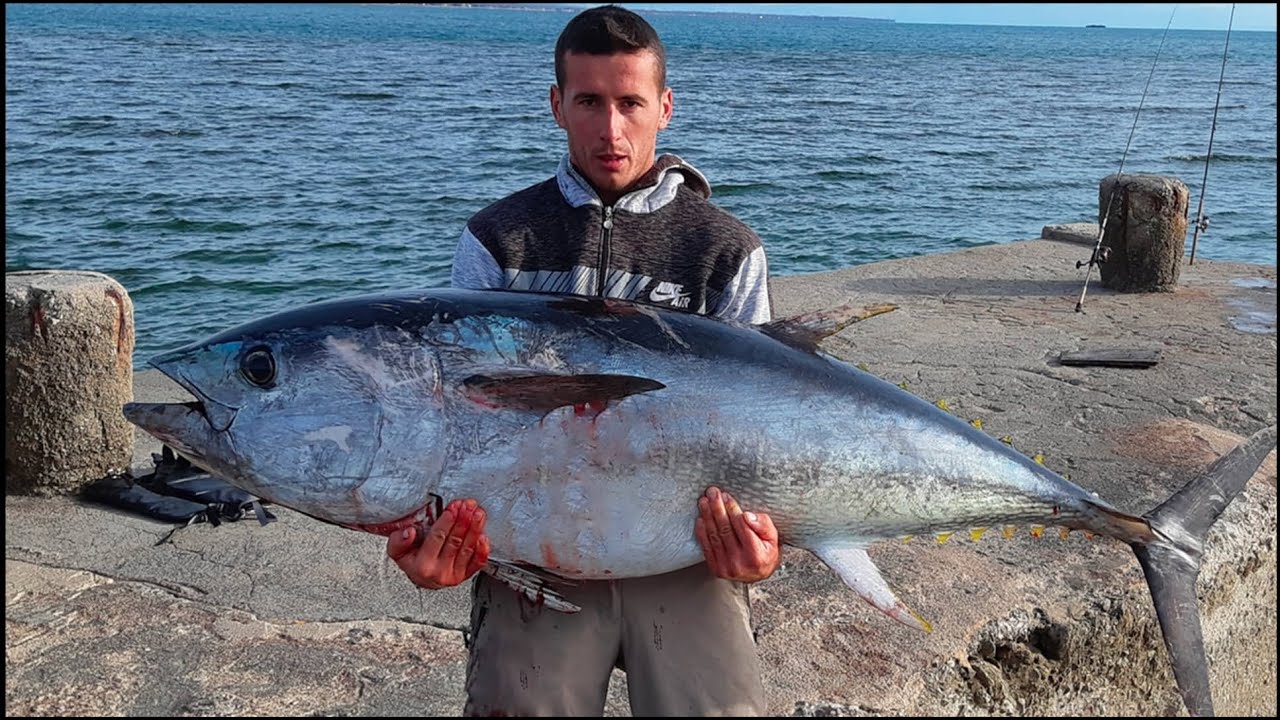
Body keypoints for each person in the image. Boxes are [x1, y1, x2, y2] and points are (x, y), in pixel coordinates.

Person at [386, 5, 780, 715]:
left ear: (664, 107)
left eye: (630, 102)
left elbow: (765, 428)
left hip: (686, 550)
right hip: (534, 555)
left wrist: (763, 548)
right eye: (589, 101)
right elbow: (451, 420)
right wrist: (429, 533)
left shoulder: (725, 250)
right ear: (556, 105)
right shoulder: (500, 240)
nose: (610, 127)